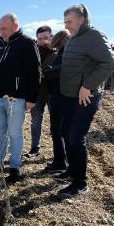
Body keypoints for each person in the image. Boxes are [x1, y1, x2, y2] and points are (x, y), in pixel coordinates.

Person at [56, 4, 114, 197]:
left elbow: (110, 62)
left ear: (81, 19)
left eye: (70, 22)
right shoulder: (74, 38)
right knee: (66, 133)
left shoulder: (93, 36)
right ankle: (72, 171)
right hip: (70, 96)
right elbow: (71, 66)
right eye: (65, 22)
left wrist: (88, 86)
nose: (67, 26)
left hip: (85, 98)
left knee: (75, 137)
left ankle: (80, 183)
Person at [0, 13, 40, 183]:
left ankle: (15, 167)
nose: (1, 32)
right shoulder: (0, 45)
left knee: (14, 133)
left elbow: (35, 73)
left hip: (16, 98)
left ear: (15, 26)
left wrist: (31, 99)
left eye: (4, 29)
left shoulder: (26, 43)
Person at [43, 29, 71, 173]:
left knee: (57, 130)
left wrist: (47, 71)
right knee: (61, 131)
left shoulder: (64, 54)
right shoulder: (65, 53)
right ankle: (61, 161)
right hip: (61, 96)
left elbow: (59, 72)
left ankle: (60, 162)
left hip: (59, 97)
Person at [26, 26, 56, 157]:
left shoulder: (58, 53)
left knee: (56, 125)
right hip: (37, 93)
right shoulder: (32, 53)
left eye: (46, 38)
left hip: (53, 94)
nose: (43, 41)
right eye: (40, 38)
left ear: (52, 37)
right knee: (35, 122)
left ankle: (58, 153)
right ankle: (34, 148)